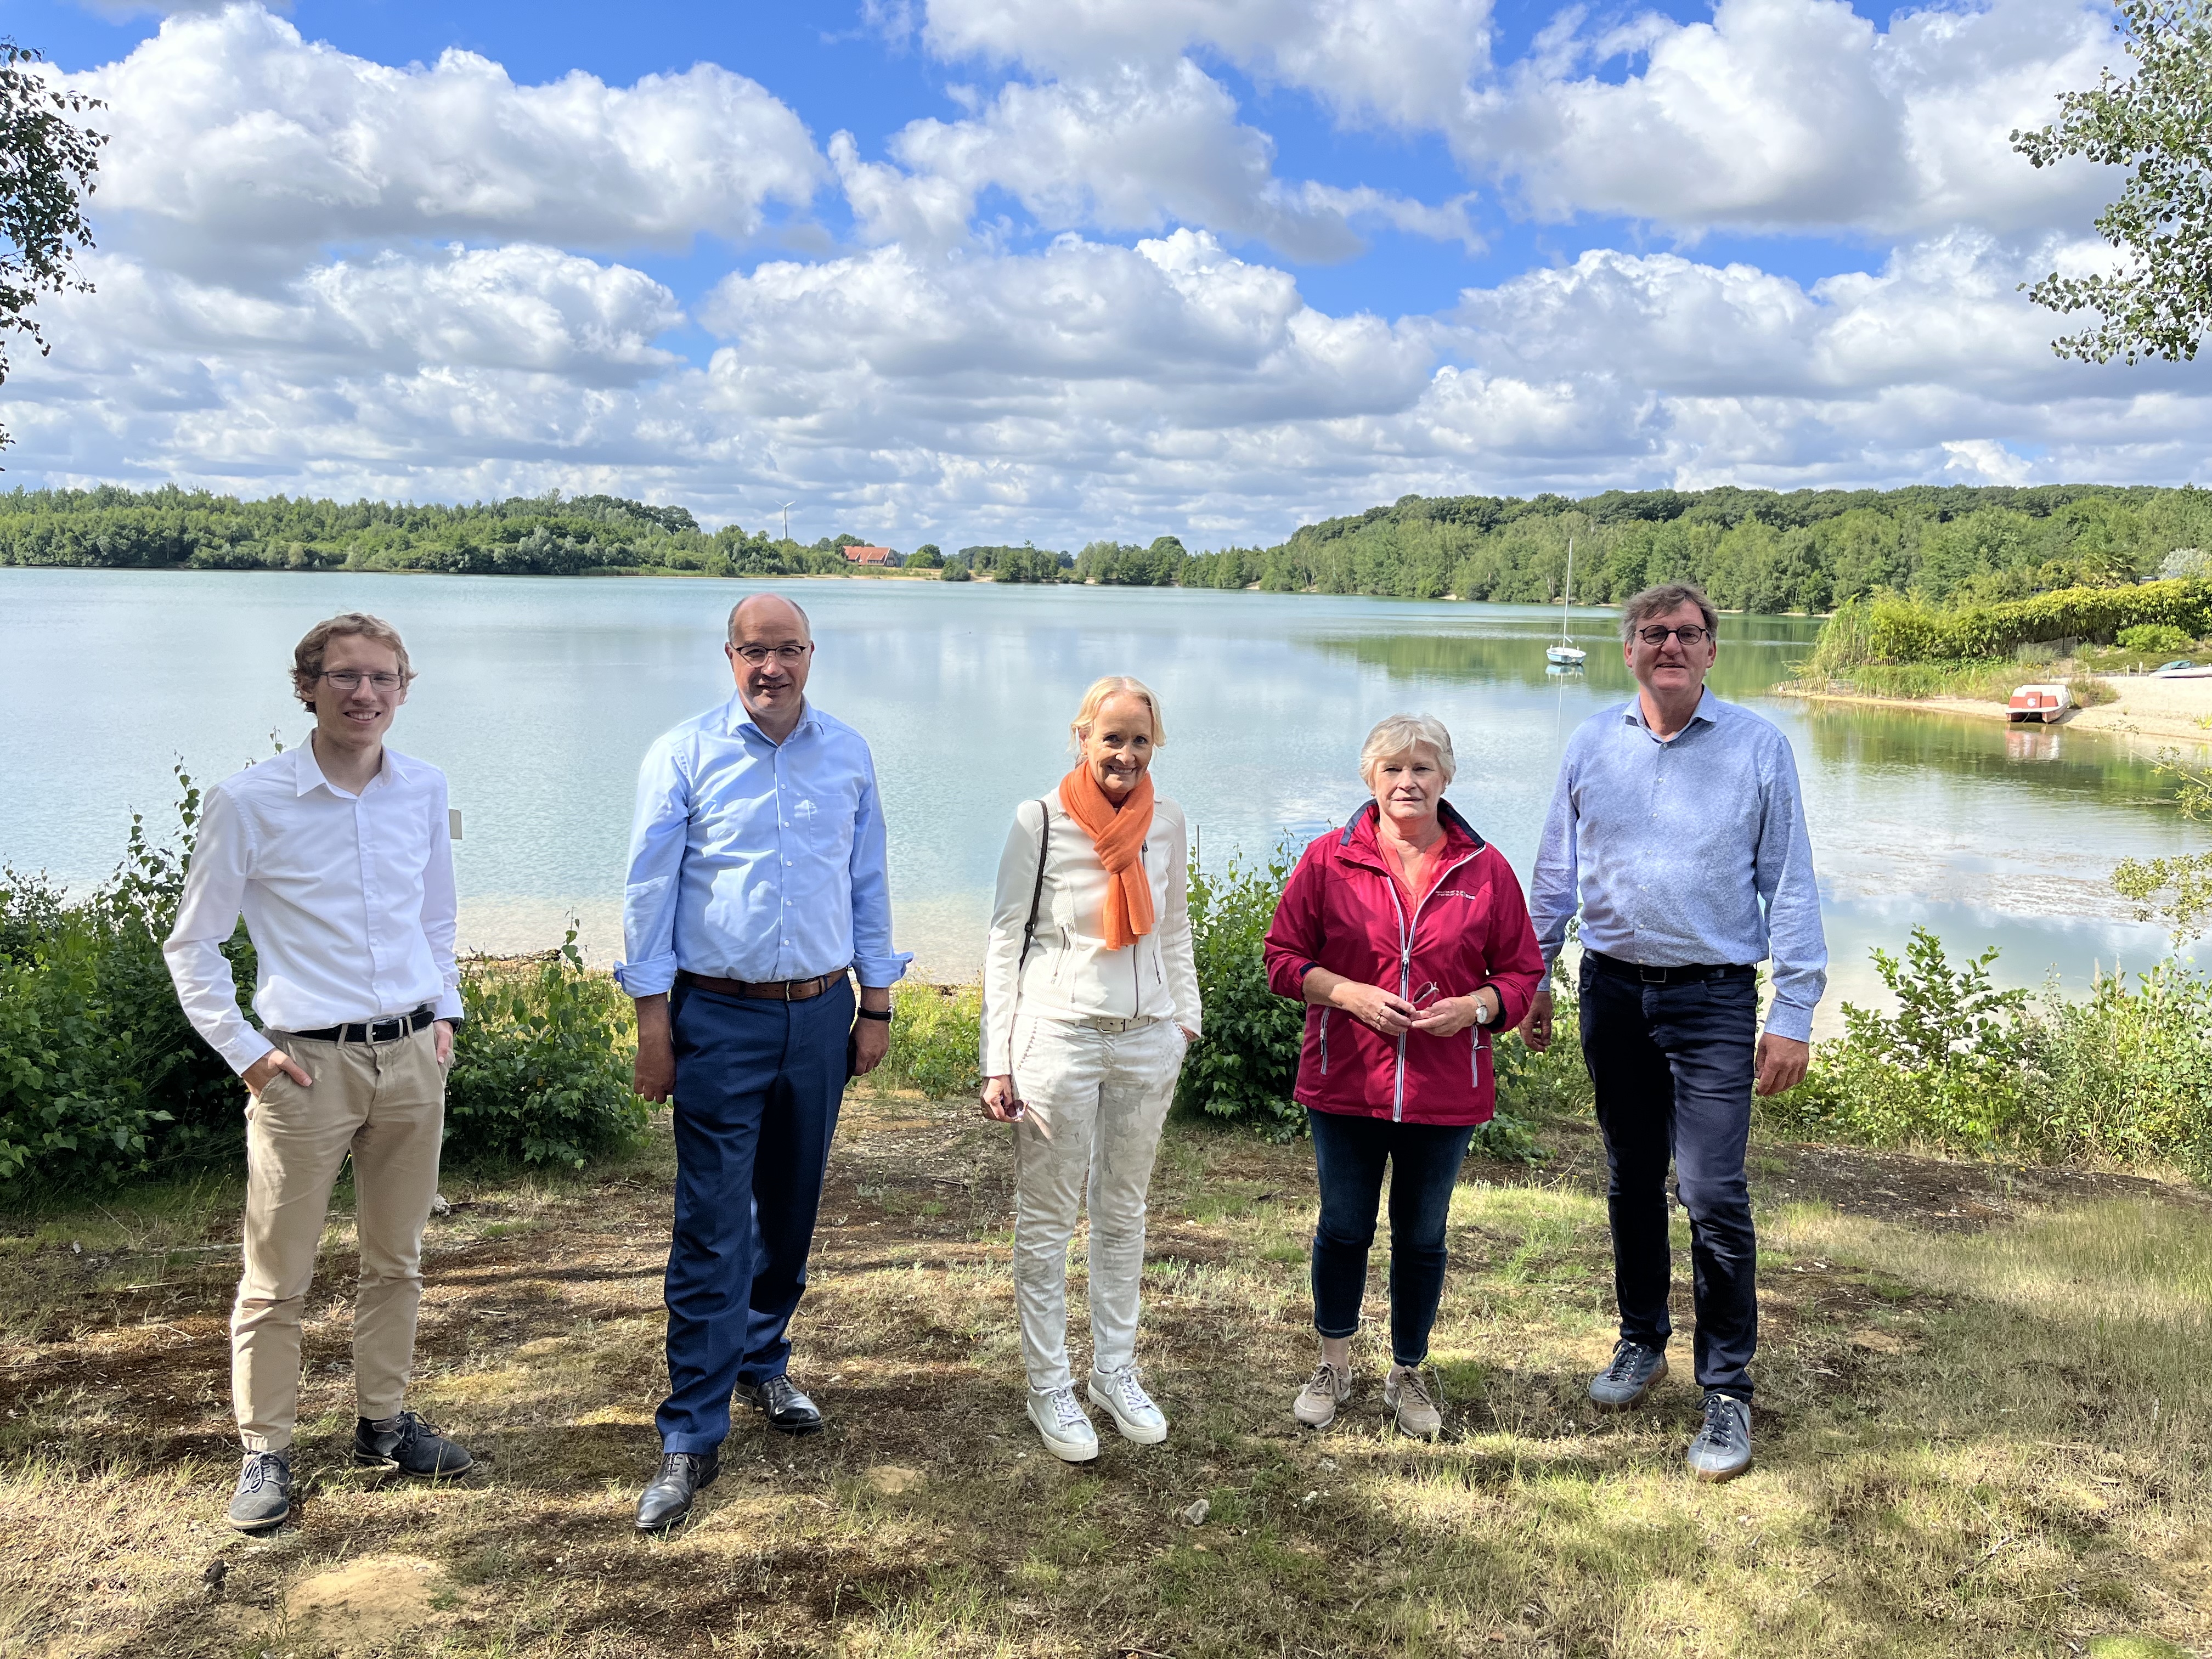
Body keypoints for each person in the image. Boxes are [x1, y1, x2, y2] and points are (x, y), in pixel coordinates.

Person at [164, 612, 473, 1533]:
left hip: (414, 1058)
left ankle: (383, 1425)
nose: (364, 694)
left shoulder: (423, 788)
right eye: (344, 676)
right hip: (304, 1068)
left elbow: (437, 917)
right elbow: (194, 947)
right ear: (309, 685)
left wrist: (445, 1010)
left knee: (398, 1259)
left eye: (382, 678)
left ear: (404, 690)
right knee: (277, 1275)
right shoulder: (250, 801)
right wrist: (249, 1055)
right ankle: (267, 1451)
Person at [1520, 581, 1826, 1484]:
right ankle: (1641, 1338)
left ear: (1711, 651)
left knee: (1712, 1189)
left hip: (1715, 1001)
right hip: (1612, 992)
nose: (1670, 648)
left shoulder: (1759, 749)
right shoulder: (1590, 744)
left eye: (1687, 635)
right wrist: (1533, 973)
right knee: (1629, 1178)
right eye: (1653, 634)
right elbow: (1554, 871)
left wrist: (1794, 1011)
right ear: (1629, 650)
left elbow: (1794, 883)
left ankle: (1726, 1388)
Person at [618, 593, 909, 1531]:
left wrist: (877, 1000)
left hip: (821, 1014)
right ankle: (691, 1434)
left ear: (811, 656)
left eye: (787, 651)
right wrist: (652, 1022)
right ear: (730, 656)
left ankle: (765, 1362)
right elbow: (648, 888)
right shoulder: (682, 754)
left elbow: (868, 880)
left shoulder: (850, 753)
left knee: (790, 1206)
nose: (771, 668)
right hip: (718, 1017)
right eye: (754, 651)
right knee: (711, 1223)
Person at [1261, 714, 1544, 1439]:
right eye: (1392, 770)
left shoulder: (1485, 870)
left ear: (1446, 778)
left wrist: (1477, 1009)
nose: (1407, 782)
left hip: (1444, 1090)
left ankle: (1409, 1370)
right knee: (1345, 1226)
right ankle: (1334, 1363)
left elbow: (1521, 973)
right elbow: (1282, 959)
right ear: (1371, 780)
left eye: (1422, 768)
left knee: (1422, 1236)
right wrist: (1347, 993)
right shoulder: (1329, 860)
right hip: (1346, 1082)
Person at [979, 676, 1201, 1463]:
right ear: (1082, 738)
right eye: (1112, 738)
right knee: (1046, 1223)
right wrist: (995, 1059)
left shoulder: (1168, 822)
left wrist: (1185, 1019)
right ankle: (1050, 1386)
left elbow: (1174, 928)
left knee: (1123, 1213)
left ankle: (1114, 1372)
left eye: (1140, 740)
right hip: (1058, 1040)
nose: (1126, 754)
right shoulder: (1038, 821)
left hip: (1147, 1041)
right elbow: (1007, 941)